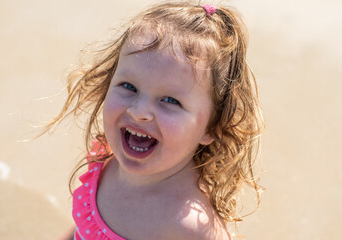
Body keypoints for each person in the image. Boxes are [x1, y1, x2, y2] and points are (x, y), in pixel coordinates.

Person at [51, 1, 264, 239]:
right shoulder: (106, 158)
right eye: (128, 86)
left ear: (212, 127)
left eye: (170, 101)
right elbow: (86, 227)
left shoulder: (189, 227)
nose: (139, 110)